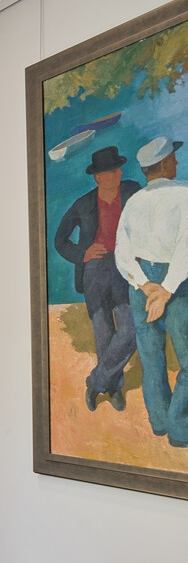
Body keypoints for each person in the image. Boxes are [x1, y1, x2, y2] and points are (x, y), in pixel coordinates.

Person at [114, 136, 188, 445]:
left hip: (141, 283)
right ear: (163, 164)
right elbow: (186, 248)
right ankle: (180, 430)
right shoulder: (184, 195)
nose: (177, 162)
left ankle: (159, 422)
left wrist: (146, 286)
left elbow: (122, 252)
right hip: (177, 283)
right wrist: (165, 290)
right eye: (173, 158)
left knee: (152, 358)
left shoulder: (133, 202)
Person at [54, 146, 140, 411]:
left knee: (131, 328)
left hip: (125, 268)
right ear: (98, 177)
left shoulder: (132, 191)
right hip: (95, 271)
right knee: (103, 333)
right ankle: (112, 387)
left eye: (117, 169)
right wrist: (84, 253)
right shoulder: (83, 204)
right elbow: (59, 240)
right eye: (110, 171)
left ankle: (97, 381)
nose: (117, 173)